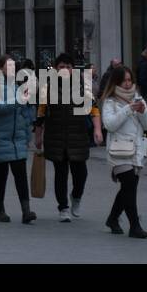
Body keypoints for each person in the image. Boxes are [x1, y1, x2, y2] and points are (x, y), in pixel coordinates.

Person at [34, 54, 102, 222]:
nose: (65, 70)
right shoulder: (47, 88)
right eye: (61, 66)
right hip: (55, 137)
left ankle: (76, 197)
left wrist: (98, 129)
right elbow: (41, 113)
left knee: (81, 173)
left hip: (77, 136)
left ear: (73, 69)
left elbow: (93, 109)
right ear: (56, 69)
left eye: (68, 66)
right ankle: (63, 207)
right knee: (61, 174)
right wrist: (38, 136)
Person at [100, 65, 147, 238]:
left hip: (136, 151)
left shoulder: (138, 98)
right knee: (129, 185)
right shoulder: (110, 102)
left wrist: (143, 111)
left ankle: (113, 218)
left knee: (128, 189)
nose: (128, 84)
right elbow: (109, 124)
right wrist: (128, 108)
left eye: (130, 80)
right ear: (116, 82)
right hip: (118, 151)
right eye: (124, 80)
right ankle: (134, 226)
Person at [0, 54, 36, 223]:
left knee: (20, 174)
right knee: (1, 175)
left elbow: (25, 114)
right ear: (0, 68)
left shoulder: (19, 85)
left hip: (17, 138)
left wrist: (28, 133)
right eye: (8, 66)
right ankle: (0, 210)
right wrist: (18, 101)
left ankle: (26, 211)